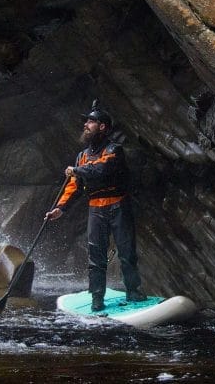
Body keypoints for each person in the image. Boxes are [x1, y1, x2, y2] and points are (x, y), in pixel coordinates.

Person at [45, 101, 146, 311]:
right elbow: (73, 187)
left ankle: (134, 292)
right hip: (96, 209)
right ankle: (97, 298)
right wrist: (60, 209)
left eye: (91, 121)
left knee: (127, 252)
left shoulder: (114, 150)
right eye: (87, 121)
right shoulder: (81, 156)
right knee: (96, 256)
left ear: (102, 127)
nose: (86, 125)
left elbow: (102, 169)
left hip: (119, 205)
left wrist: (77, 170)